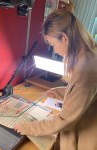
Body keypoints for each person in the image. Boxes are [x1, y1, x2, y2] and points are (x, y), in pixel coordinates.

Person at [14, 9, 97, 150]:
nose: (55, 51)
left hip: (82, 136)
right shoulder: (89, 55)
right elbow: (82, 93)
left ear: (64, 38)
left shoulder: (85, 70)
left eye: (53, 45)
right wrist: (59, 91)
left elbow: (64, 120)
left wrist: (29, 128)